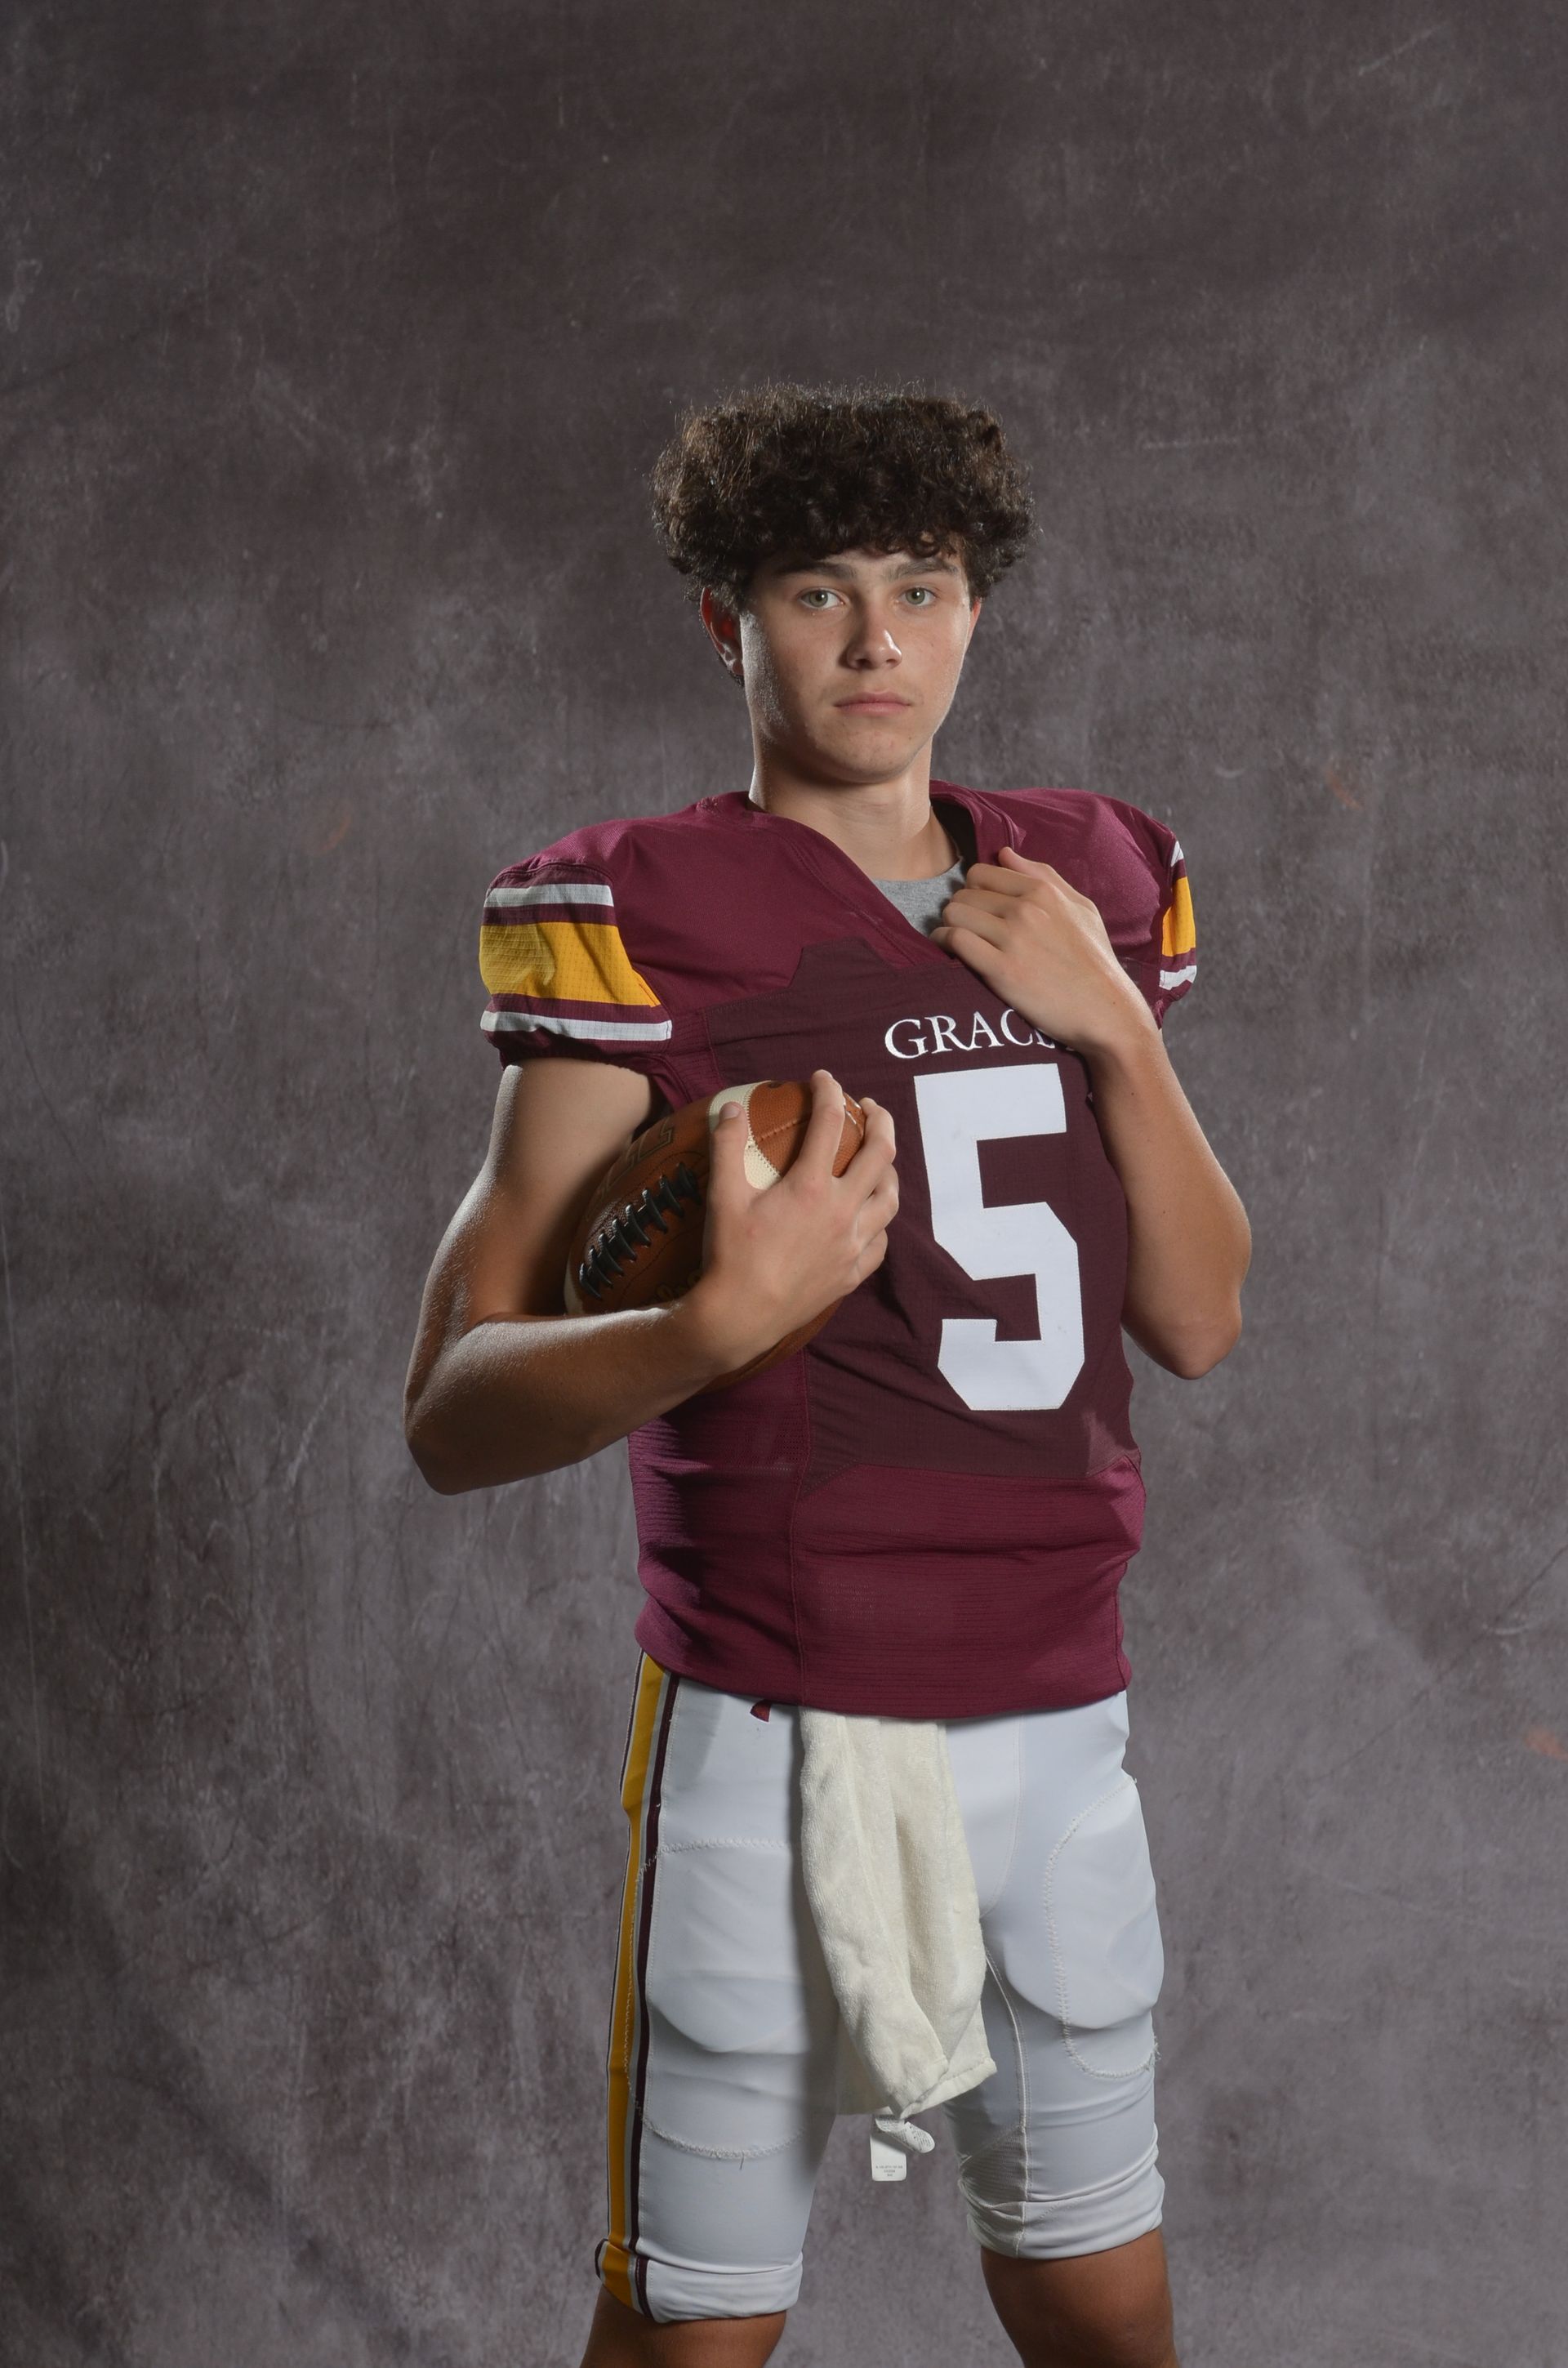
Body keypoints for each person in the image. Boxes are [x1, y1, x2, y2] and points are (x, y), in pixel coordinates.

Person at [403, 385, 1250, 2368]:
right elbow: (449, 1413)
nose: (878, 642)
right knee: (694, 2333)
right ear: (729, 622)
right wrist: (706, 1328)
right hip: (770, 1720)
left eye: (923, 588)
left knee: (1104, 2308)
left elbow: (1201, 1321)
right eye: (816, 592)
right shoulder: (635, 909)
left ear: (977, 612)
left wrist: (1118, 1034)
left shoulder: (1096, 879)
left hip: (1057, 1710)